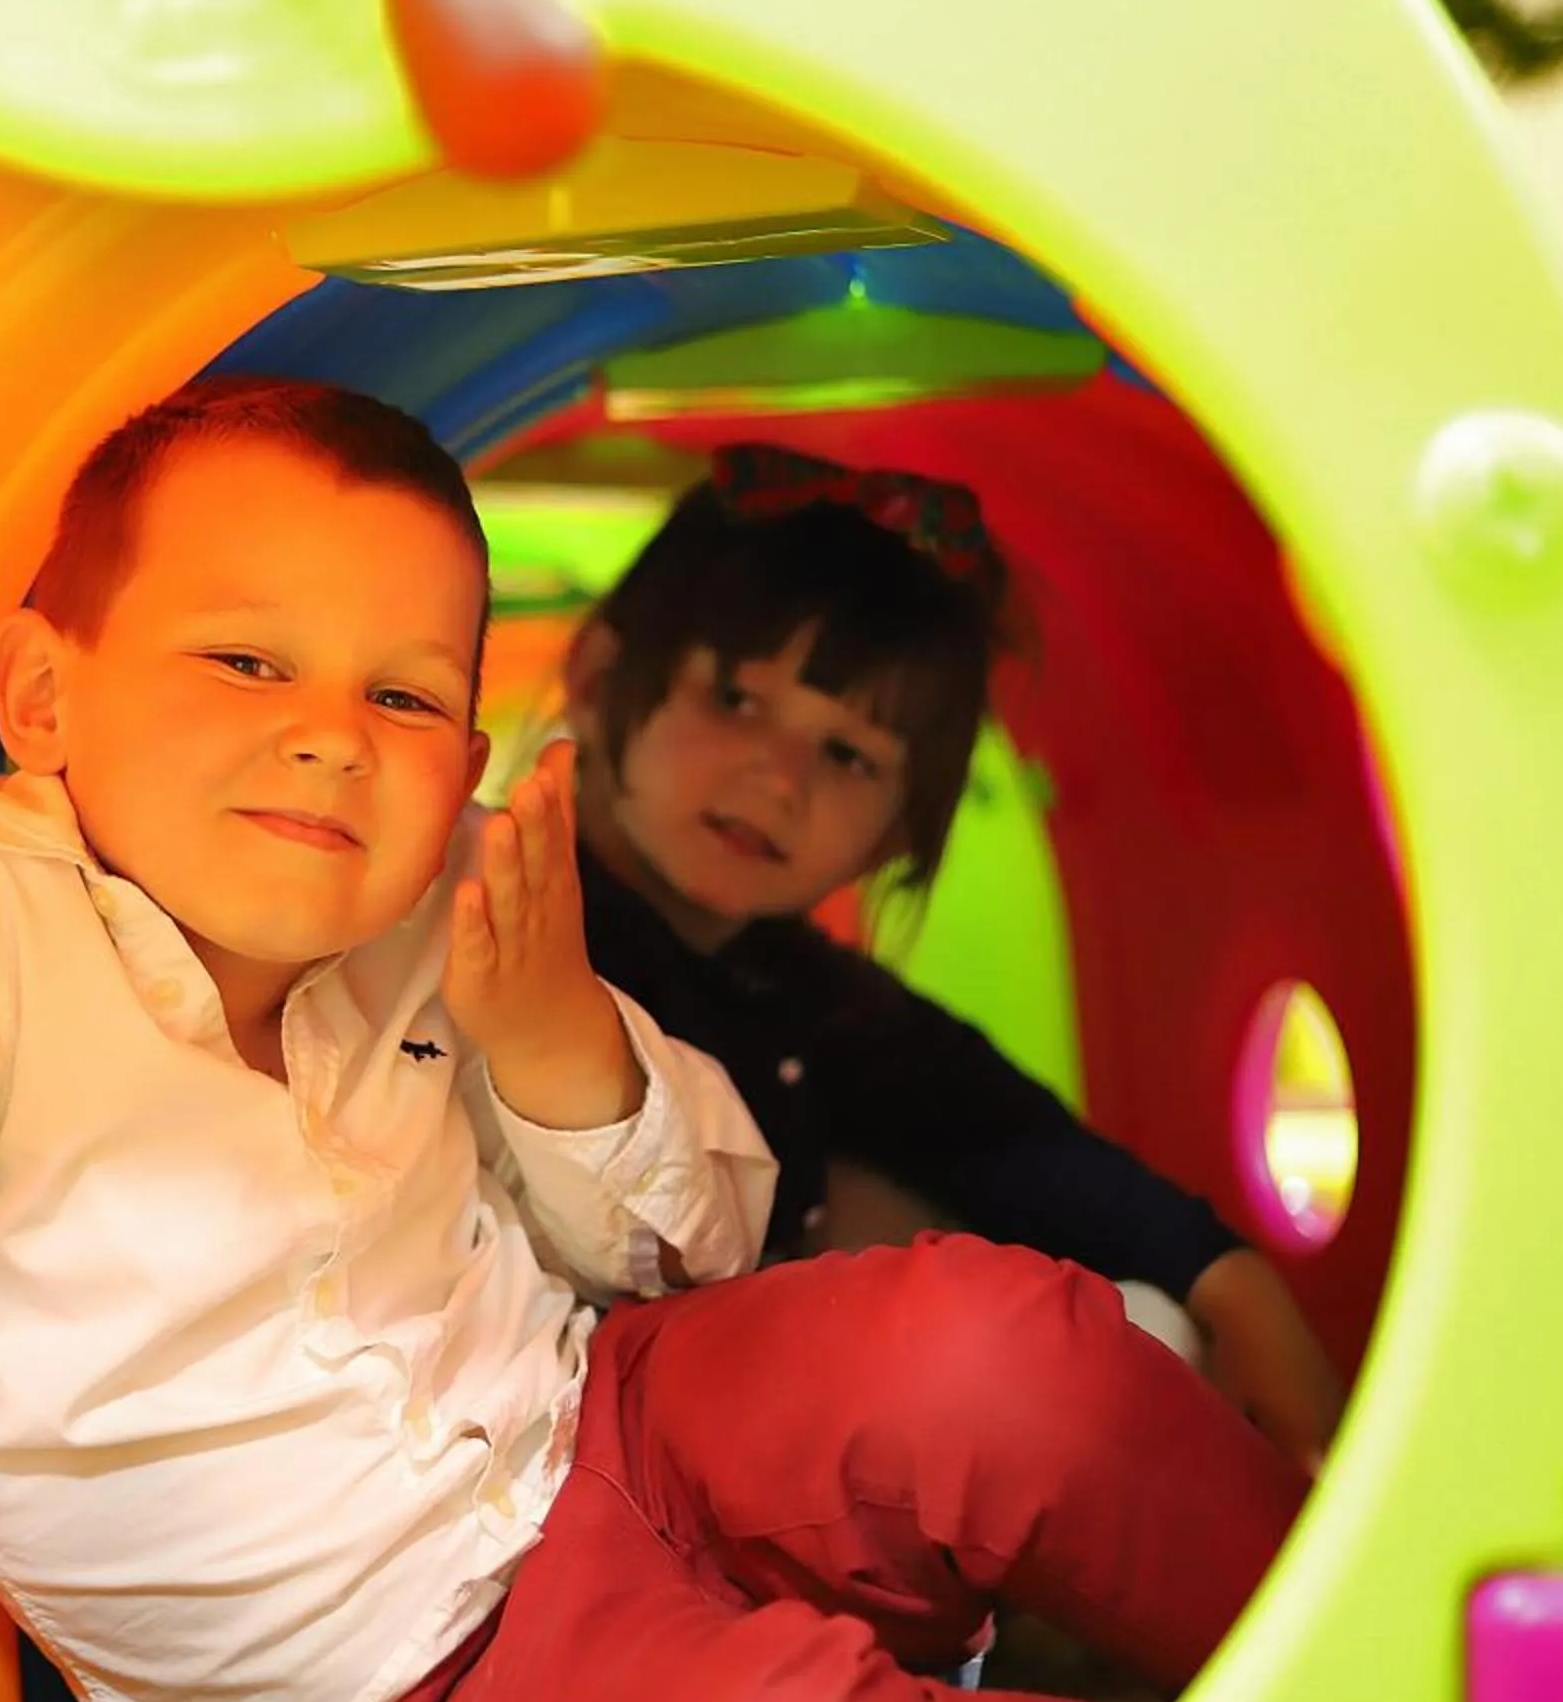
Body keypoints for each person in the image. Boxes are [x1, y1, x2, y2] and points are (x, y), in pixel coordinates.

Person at [0, 378, 1307, 1702]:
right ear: (44, 696)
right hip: (411, 1697)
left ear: (468, 752)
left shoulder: (453, 892)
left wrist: (558, 1043)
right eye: (247, 661)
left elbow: (705, 1253)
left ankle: (1365, 1614)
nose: (332, 735)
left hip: (614, 1420)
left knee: (1002, 1350)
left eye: (404, 697)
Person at [560, 446, 1346, 1471]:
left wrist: (1231, 1277)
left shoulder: (792, 987)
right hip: (555, 1445)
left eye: (850, 755)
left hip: (746, 1441)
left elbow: (1000, 1132)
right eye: (737, 701)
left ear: (893, 835)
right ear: (598, 680)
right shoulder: (527, 913)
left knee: (1142, 1325)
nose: (780, 779)